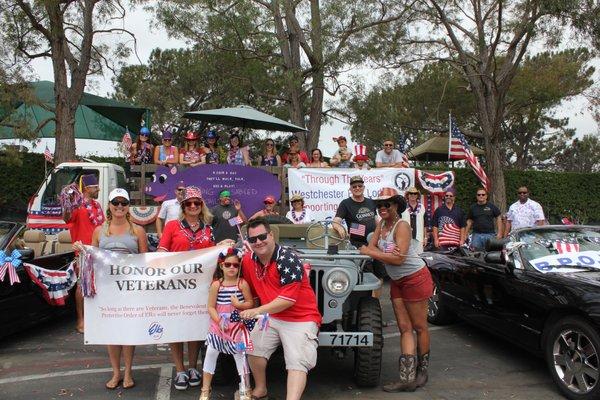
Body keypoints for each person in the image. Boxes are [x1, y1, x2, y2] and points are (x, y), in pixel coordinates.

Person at [359, 187, 433, 392]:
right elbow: (372, 247)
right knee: (404, 328)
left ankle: (422, 372)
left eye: (387, 204)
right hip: (397, 281)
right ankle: (407, 379)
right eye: (379, 205)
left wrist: (373, 252)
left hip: (414, 278)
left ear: (396, 206)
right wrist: (377, 252)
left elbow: (398, 259)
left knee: (419, 327)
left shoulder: (402, 226)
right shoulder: (382, 224)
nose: (382, 208)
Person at [240, 217, 321, 400]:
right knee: (254, 348)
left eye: (262, 237)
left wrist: (256, 311)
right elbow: (228, 263)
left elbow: (288, 300)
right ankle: (260, 388)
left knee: (297, 360)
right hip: (272, 316)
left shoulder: (288, 258)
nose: (258, 242)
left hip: (300, 317)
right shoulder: (248, 259)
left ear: (271, 235)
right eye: (253, 239)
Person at [157, 186, 229, 391]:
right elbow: (162, 249)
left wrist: (223, 246)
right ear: (183, 206)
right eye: (189, 203)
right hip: (175, 285)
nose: (193, 206)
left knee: (195, 326)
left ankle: (193, 367)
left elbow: (213, 256)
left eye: (197, 203)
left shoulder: (208, 229)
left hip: (200, 287)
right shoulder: (172, 226)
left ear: (202, 205)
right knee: (176, 326)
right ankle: (180, 369)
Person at [90, 188, 147, 390]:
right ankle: (116, 373)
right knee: (112, 333)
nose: (120, 206)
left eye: (124, 203)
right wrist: (81, 251)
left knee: (127, 331)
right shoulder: (99, 231)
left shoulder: (138, 231)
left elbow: (145, 261)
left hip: (130, 289)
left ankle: (129, 372)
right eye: (116, 203)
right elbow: (92, 260)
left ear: (128, 206)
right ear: (110, 206)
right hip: (107, 291)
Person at [200, 248, 254, 400]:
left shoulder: (242, 284)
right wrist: (219, 320)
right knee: (211, 352)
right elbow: (210, 306)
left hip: (237, 327)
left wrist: (239, 304)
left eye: (235, 265)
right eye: (228, 264)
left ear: (239, 267)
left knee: (240, 356)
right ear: (221, 266)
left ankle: (244, 387)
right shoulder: (217, 285)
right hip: (219, 326)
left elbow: (250, 303)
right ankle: (205, 388)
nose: (232, 268)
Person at [63, 173, 104, 333]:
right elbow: (66, 218)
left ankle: (97, 318)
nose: (98, 189)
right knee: (82, 285)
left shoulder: (97, 206)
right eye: (95, 187)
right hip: (82, 252)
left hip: (98, 252)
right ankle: (81, 321)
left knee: (98, 285)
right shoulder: (77, 206)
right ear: (86, 188)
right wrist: (67, 200)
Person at [401, 187, 427, 252]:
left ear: (417, 195)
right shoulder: (403, 207)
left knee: (419, 257)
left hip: (419, 238)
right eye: (411, 193)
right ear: (407, 195)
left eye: (415, 193)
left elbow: (425, 224)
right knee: (406, 257)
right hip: (405, 238)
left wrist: (425, 237)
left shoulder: (422, 207)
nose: (413, 195)